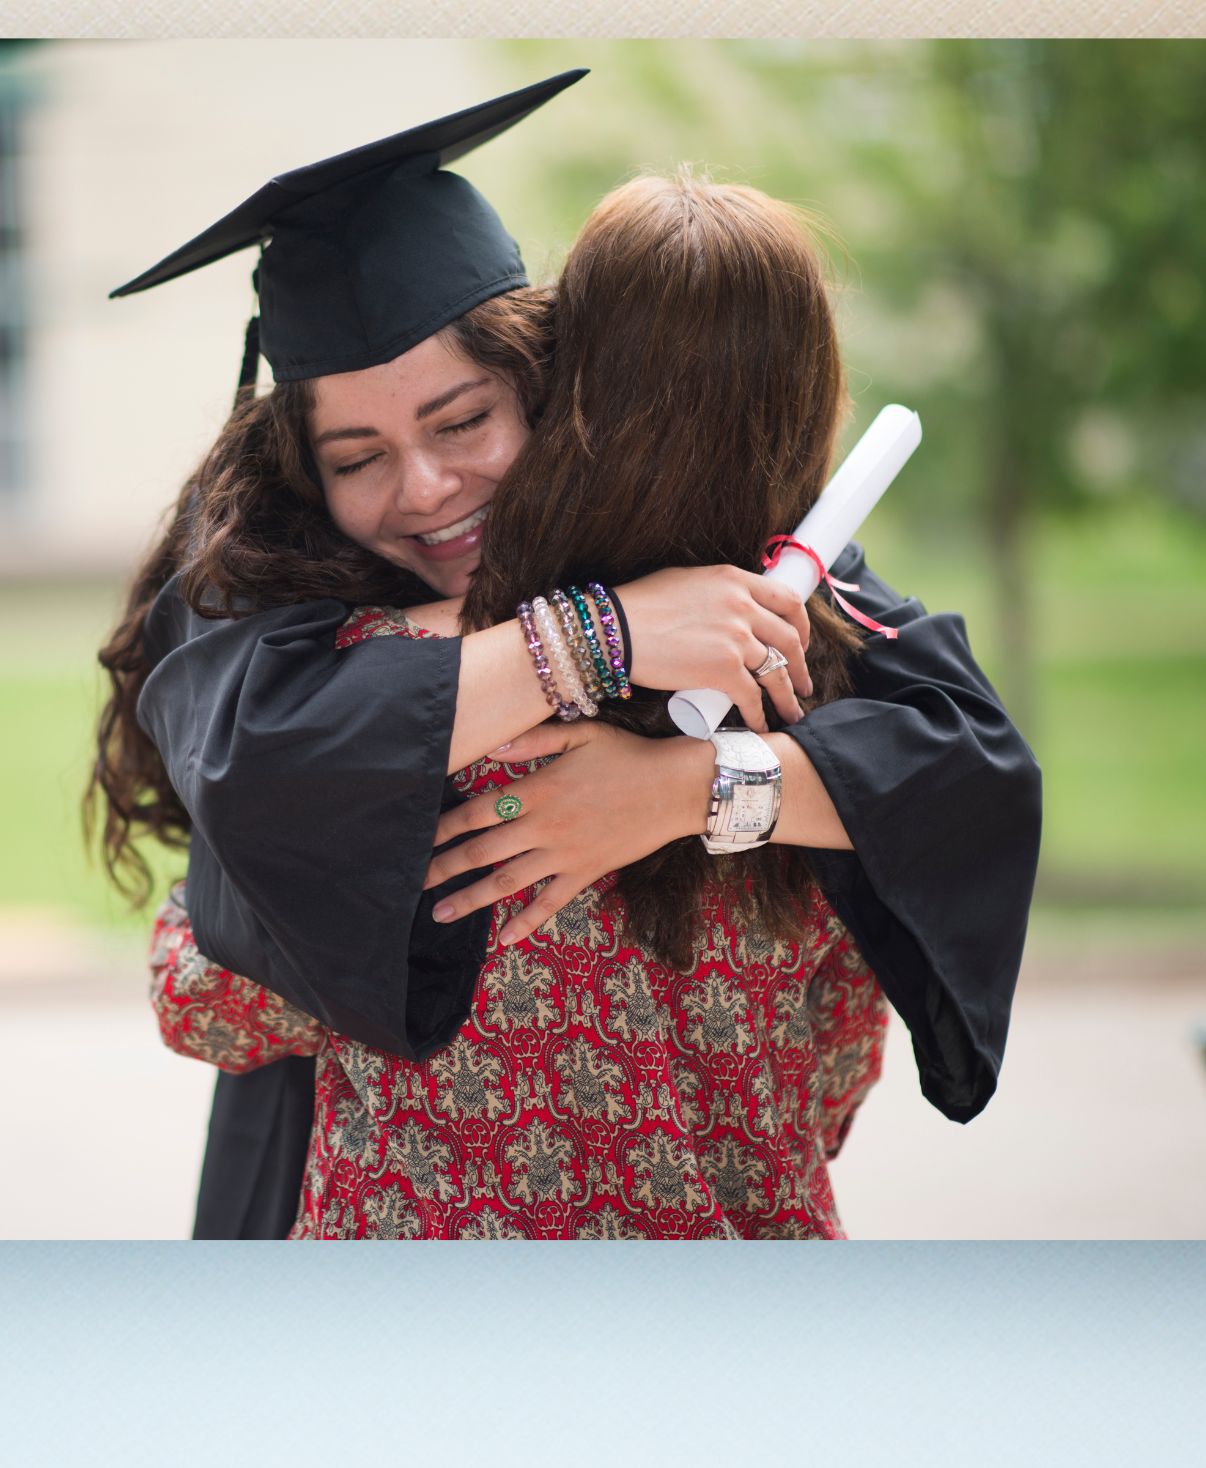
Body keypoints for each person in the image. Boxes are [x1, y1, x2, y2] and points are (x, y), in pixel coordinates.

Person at [89, 73, 1041, 1235]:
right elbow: (839, 1055)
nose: (425, 488)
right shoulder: (275, 605)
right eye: (357, 459)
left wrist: (686, 785)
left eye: (463, 420)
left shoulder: (756, 602)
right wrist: (604, 637)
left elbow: (967, 761)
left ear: (547, 385)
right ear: (301, 475)